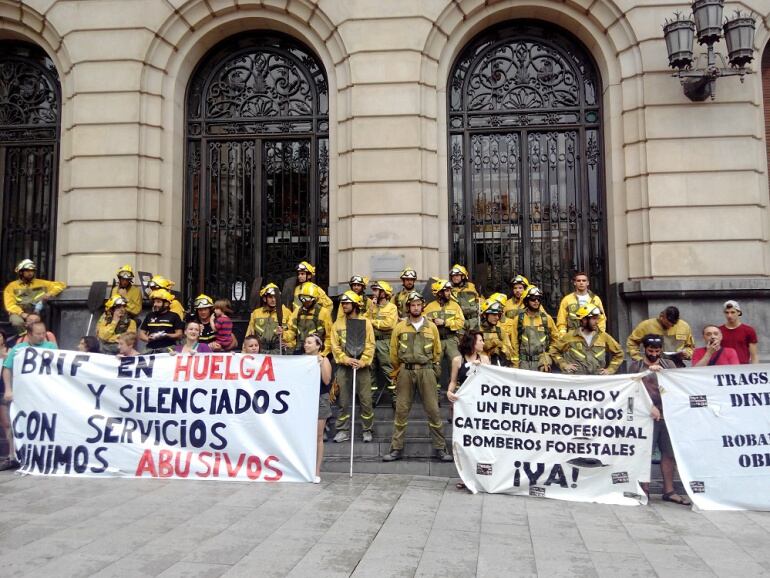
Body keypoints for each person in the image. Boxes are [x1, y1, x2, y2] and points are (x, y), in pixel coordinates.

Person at [383, 291, 452, 462]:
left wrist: (434, 370)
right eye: (412, 305)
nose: (415, 307)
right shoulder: (399, 327)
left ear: (422, 306)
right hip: (405, 371)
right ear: (408, 307)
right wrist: (398, 369)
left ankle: (440, 448)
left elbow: (437, 351)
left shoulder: (431, 327)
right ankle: (396, 448)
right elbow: (393, 352)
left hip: (427, 370)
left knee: (433, 410)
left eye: (418, 305)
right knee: (401, 410)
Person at [627, 334, 691, 506]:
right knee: (645, 454)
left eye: (657, 351)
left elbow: (676, 385)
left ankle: (669, 490)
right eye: (650, 351)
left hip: (667, 414)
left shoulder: (668, 364)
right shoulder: (636, 366)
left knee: (669, 454)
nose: (654, 354)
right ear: (644, 350)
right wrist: (649, 407)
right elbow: (632, 391)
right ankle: (644, 489)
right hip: (646, 416)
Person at [1, 322, 57, 470]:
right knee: (15, 424)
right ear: (29, 334)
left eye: (43, 333)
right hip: (22, 395)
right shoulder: (19, 349)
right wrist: (8, 389)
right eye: (38, 334)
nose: (41, 336)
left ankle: (41, 456)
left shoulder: (51, 347)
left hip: (44, 395)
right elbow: (7, 368)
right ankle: (13, 456)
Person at [331, 291, 376, 443]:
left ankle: (367, 429)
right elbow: (335, 346)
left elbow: (370, 344)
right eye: (343, 303)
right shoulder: (337, 324)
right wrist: (345, 359)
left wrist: (363, 361)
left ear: (355, 305)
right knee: (343, 400)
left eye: (347, 303)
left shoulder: (365, 322)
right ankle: (343, 430)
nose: (344, 306)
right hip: (344, 367)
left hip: (362, 367)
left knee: (365, 400)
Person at [550, 305, 623, 374]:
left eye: (597, 318)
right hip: (575, 381)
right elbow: (554, 351)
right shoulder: (570, 336)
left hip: (596, 382)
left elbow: (619, 353)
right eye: (594, 319)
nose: (597, 322)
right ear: (584, 320)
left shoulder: (603, 336)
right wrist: (564, 365)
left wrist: (610, 370)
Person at [3, 259, 66, 335]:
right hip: (18, 312)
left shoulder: (41, 283)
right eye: (27, 271)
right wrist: (22, 314)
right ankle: (26, 338)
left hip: (36, 311)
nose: (30, 273)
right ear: (20, 272)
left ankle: (36, 338)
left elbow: (61, 285)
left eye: (32, 271)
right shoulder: (11, 286)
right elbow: (10, 305)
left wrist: (50, 293)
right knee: (17, 323)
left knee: (36, 323)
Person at [507, 286, 558, 371]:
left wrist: (547, 357)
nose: (536, 302)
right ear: (527, 301)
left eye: (538, 299)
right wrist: (515, 365)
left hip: (542, 365)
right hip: (524, 364)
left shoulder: (546, 318)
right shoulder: (519, 319)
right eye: (533, 299)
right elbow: (514, 343)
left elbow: (556, 340)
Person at [424, 279, 465, 385]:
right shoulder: (429, 307)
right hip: (436, 341)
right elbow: (423, 322)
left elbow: (460, 322)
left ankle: (456, 391)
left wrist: (445, 322)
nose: (449, 293)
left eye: (449, 291)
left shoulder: (455, 306)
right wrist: (431, 322)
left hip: (451, 340)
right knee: (435, 366)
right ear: (439, 292)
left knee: (457, 364)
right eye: (446, 291)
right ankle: (435, 394)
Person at [304, 333, 332, 484]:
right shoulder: (300, 359)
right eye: (305, 343)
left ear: (318, 346)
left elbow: (327, 380)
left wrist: (321, 363)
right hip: (304, 399)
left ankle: (317, 470)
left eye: (310, 343)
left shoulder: (324, 359)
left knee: (318, 436)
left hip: (320, 398)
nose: (306, 345)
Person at [627, 306, 694, 367]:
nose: (670, 326)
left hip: (676, 365)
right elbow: (632, 343)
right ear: (661, 316)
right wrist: (638, 358)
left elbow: (690, 347)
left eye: (673, 325)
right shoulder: (646, 325)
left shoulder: (684, 327)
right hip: (652, 364)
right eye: (667, 323)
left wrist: (687, 353)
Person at [367, 280, 399, 404]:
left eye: (376, 290)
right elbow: (365, 319)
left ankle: (396, 397)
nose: (373, 292)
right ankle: (371, 398)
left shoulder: (392, 307)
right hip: (371, 341)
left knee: (388, 369)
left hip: (385, 342)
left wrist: (373, 322)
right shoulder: (372, 306)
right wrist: (371, 309)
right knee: (370, 369)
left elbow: (389, 324)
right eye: (373, 290)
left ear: (384, 293)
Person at [284, 282, 333, 356]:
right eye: (302, 298)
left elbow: (329, 337)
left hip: (317, 353)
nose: (305, 301)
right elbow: (292, 331)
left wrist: (323, 354)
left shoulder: (323, 313)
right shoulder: (297, 312)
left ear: (315, 299)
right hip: (299, 351)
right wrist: (283, 334)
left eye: (307, 298)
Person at [247, 283, 291, 354]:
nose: (273, 300)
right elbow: (249, 332)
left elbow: (293, 331)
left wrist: (290, 344)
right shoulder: (256, 313)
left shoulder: (286, 312)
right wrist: (245, 348)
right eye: (270, 297)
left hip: (279, 351)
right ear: (265, 299)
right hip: (260, 351)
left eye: (275, 297)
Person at [447, 330, 490, 403]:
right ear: (472, 342)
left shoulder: (485, 359)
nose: (483, 343)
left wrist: (481, 366)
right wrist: (449, 392)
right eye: (480, 340)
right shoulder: (457, 360)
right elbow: (453, 381)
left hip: (480, 397)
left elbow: (489, 380)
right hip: (464, 398)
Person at [138, 289, 184, 353]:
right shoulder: (149, 315)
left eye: (158, 302)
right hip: (150, 349)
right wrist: (148, 339)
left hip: (168, 349)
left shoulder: (174, 316)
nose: (155, 304)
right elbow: (141, 334)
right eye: (154, 302)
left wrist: (165, 335)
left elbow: (179, 335)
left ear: (166, 304)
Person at [719, 300, 758, 364]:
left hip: (742, 368)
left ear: (739, 313)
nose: (729, 315)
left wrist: (755, 370)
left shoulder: (749, 330)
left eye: (732, 312)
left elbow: (754, 355)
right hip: (723, 367)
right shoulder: (718, 331)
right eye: (727, 312)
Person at [449, 264, 482, 331]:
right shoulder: (449, 289)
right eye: (453, 276)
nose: (455, 278)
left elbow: (479, 301)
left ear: (463, 276)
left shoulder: (471, 287)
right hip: (460, 323)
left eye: (457, 275)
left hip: (474, 322)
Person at [479, 298, 510, 366]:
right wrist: (488, 347)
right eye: (494, 315)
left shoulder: (500, 331)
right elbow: (471, 352)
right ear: (485, 315)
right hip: (481, 366)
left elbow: (509, 352)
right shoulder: (476, 331)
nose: (497, 318)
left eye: (498, 315)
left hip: (497, 365)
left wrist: (501, 347)